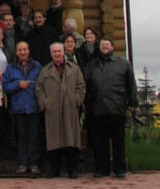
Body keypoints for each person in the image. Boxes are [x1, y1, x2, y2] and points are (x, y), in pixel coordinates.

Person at [85, 36, 138, 179]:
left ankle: (120, 169)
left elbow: (131, 84)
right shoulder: (92, 65)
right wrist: (87, 104)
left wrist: (133, 103)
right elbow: (86, 86)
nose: (105, 47)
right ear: (99, 48)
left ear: (112, 47)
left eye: (107, 44)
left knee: (118, 141)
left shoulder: (123, 64)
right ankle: (102, 169)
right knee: (99, 142)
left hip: (117, 108)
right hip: (97, 109)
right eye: (102, 45)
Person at [35, 42, 86, 179]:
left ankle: (72, 170)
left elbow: (81, 86)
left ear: (63, 52)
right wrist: (44, 103)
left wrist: (77, 100)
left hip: (70, 108)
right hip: (52, 109)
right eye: (54, 52)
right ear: (51, 54)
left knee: (71, 140)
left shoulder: (74, 69)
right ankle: (54, 169)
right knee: (54, 141)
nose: (57, 54)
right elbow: (39, 88)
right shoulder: (45, 71)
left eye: (59, 51)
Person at [3, 41, 42, 175]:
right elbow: (5, 86)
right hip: (18, 108)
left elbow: (42, 85)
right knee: (21, 137)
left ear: (29, 51)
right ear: (16, 52)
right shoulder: (11, 68)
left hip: (33, 107)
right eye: (20, 50)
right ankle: (22, 163)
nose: (22, 52)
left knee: (34, 136)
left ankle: (34, 163)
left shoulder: (37, 66)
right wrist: (18, 85)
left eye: (24, 49)